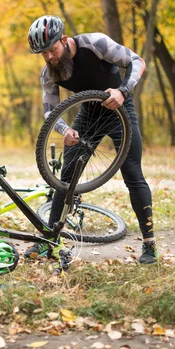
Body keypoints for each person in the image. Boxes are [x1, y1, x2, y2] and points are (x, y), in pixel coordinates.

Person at [25, 15, 157, 264]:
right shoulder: (49, 72)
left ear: (63, 40)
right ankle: (50, 240)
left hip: (120, 111)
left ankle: (149, 244)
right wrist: (64, 130)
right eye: (44, 54)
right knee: (66, 178)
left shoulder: (95, 44)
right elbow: (50, 111)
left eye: (52, 49)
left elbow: (137, 62)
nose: (50, 57)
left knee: (132, 174)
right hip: (88, 115)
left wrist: (122, 91)